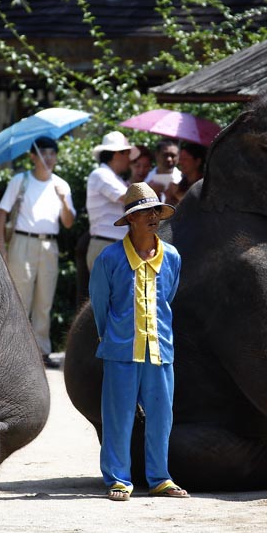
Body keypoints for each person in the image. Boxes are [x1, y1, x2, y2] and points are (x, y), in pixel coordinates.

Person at [89, 182, 188, 502]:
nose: (153, 217)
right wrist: (111, 337)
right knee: (118, 417)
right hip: (121, 350)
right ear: (131, 218)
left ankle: (160, 478)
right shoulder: (109, 258)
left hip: (160, 348)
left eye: (156, 211)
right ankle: (118, 479)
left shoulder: (172, 257)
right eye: (145, 212)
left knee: (161, 417)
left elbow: (168, 297)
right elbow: (100, 304)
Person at [0, 137, 76, 369]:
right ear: (33, 156)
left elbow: (68, 222)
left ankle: (42, 351)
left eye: (52, 153)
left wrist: (64, 200)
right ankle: (12, 349)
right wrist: (1, 246)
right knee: (20, 298)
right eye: (44, 153)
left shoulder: (61, 185)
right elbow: (2, 212)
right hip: (23, 241)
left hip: (50, 245)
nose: (48, 158)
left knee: (45, 300)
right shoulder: (21, 180)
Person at [85, 131, 133, 272]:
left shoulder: (114, 178)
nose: (129, 159)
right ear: (117, 154)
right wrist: (150, 190)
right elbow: (127, 197)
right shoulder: (101, 174)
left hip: (113, 245)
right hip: (106, 246)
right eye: (127, 154)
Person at [166, 141, 206, 205]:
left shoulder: (205, 185)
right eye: (180, 159)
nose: (180, 162)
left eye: (185, 159)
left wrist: (177, 193)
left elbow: (197, 204)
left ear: (197, 162)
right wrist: (169, 197)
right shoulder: (182, 184)